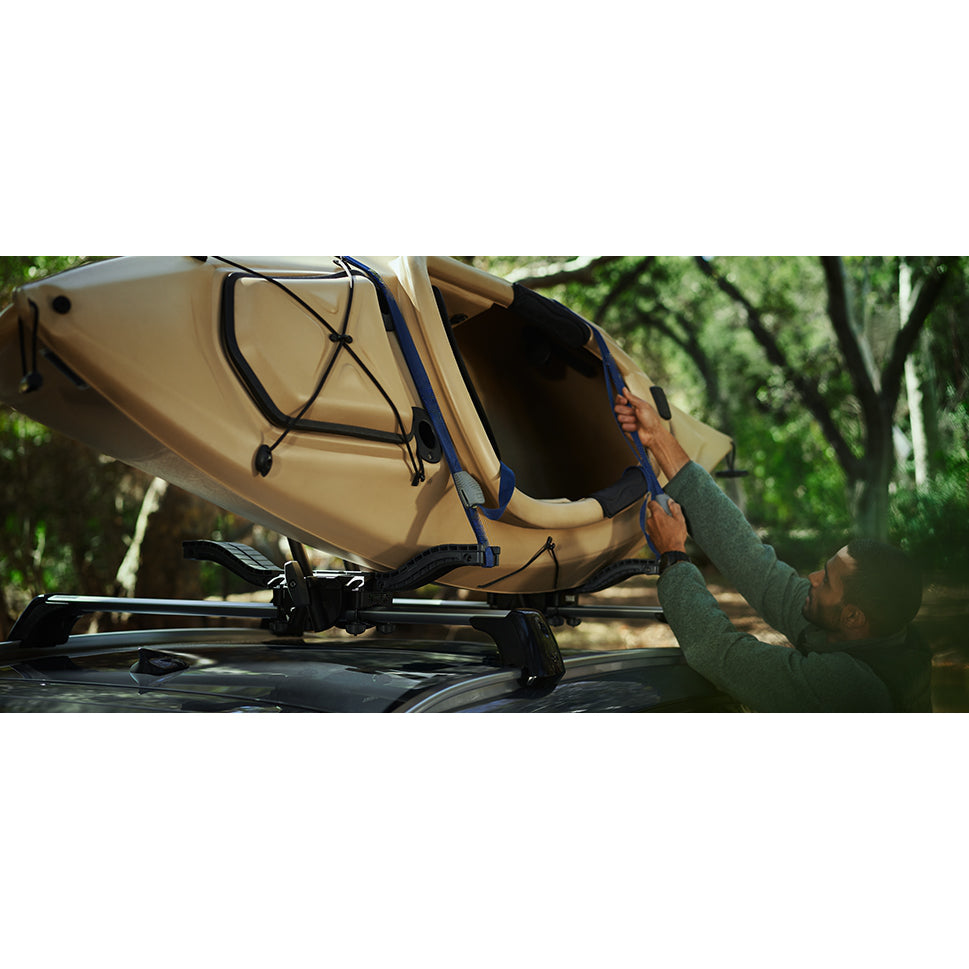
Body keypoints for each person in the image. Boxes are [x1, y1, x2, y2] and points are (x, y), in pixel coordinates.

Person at [614, 387, 931, 712]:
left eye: (827, 581)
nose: (812, 578)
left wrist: (674, 556)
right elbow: (754, 565)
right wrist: (658, 437)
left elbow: (721, 654)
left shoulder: (851, 690)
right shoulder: (864, 632)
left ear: (852, 617)